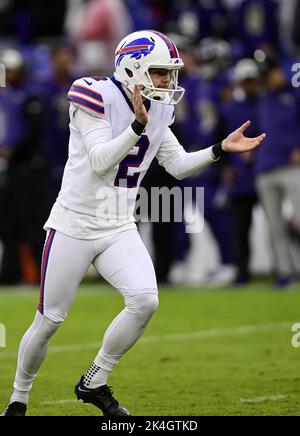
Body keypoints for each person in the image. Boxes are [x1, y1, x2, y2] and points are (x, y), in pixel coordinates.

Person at [1, 30, 266, 417]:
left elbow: (175, 165)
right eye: (160, 72)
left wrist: (217, 150)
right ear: (133, 67)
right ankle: (18, 398)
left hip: (118, 223)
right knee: (49, 320)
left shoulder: (159, 108)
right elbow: (100, 160)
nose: (168, 81)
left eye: (171, 73)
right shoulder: (93, 93)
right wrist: (136, 126)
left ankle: (94, 381)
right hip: (74, 222)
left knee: (145, 300)